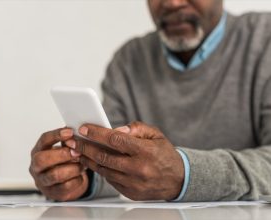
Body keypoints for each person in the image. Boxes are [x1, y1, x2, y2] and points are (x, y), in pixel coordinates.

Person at [29, 0, 271, 202]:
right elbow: (117, 163)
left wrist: (185, 173)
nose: (173, 3)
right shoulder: (128, 61)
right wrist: (81, 179)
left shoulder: (265, 40)